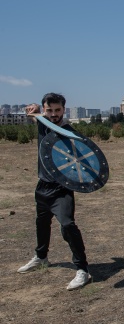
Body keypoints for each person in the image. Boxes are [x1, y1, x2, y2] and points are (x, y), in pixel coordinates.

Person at [18, 93, 93, 289]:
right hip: (42, 185)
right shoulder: (43, 123)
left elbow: (84, 161)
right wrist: (33, 108)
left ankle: (83, 270)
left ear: (64, 110)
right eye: (49, 110)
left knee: (67, 225)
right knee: (41, 222)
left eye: (57, 110)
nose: (53, 114)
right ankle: (41, 257)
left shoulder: (69, 132)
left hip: (62, 189)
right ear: (45, 110)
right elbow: (34, 111)